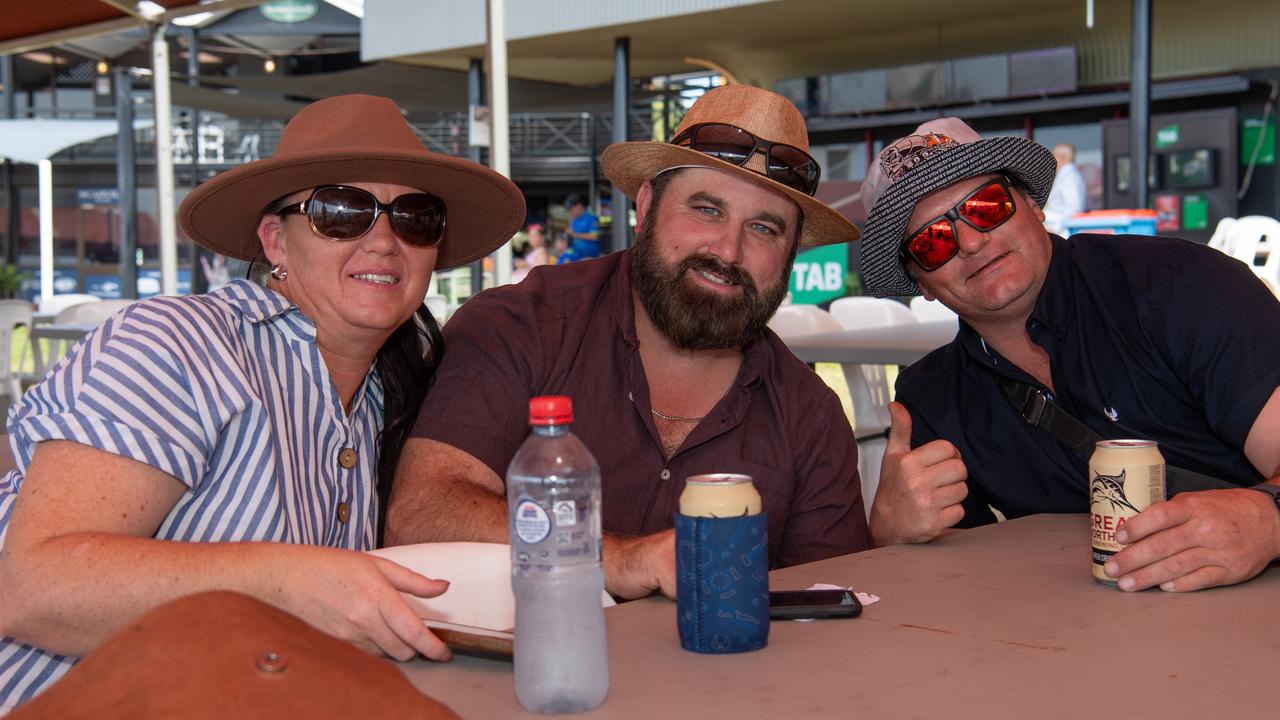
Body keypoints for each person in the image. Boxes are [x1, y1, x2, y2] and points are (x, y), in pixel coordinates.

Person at [0, 94, 526, 707]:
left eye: (415, 218)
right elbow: (34, 588)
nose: (384, 240)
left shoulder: (395, 394)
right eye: (341, 210)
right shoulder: (180, 342)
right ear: (275, 240)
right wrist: (282, 581)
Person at [387, 84, 871, 599]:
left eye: (764, 228)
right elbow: (419, 512)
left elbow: (828, 608)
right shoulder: (521, 326)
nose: (729, 249)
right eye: (706, 209)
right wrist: (614, 557)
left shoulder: (811, 417)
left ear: (789, 255)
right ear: (646, 205)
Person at [857, 117, 1280, 593]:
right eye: (932, 241)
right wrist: (891, 534)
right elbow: (957, 581)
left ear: (1033, 205)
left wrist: (1268, 519)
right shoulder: (932, 400)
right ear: (921, 282)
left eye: (986, 206)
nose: (971, 242)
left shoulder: (1178, 287)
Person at [1042, 143, 1087, 235]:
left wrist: (1056, 228)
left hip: (1063, 231)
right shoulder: (1065, 175)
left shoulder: (1069, 177)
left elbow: (1074, 208)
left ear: (1063, 157)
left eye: (1053, 155)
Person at [564, 194, 602, 260]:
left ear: (579, 206)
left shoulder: (591, 217)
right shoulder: (574, 220)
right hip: (575, 253)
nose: (570, 212)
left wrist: (575, 234)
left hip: (590, 255)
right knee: (562, 260)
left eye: (571, 209)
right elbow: (572, 238)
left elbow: (595, 236)